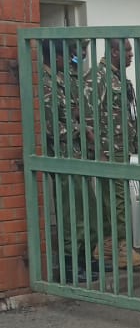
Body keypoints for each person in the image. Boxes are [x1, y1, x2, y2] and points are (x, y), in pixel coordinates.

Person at [42, 39, 99, 283]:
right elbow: (52, 128)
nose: (73, 60)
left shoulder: (64, 80)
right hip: (63, 157)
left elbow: (74, 112)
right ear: (56, 57)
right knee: (71, 216)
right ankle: (70, 265)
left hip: (77, 155)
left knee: (88, 212)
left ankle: (84, 259)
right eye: (69, 55)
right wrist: (81, 129)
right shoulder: (46, 83)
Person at [93, 38, 140, 269]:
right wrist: (99, 151)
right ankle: (122, 247)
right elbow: (88, 116)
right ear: (114, 51)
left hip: (122, 146)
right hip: (109, 149)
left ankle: (107, 244)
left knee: (114, 197)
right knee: (118, 198)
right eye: (128, 51)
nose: (131, 55)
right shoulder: (99, 77)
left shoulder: (119, 78)